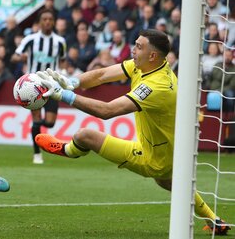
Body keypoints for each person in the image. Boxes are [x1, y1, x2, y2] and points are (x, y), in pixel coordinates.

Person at [34, 29, 230, 235]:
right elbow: (101, 75)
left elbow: (107, 110)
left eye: (138, 46)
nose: (133, 50)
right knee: (169, 182)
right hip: (170, 151)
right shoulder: (147, 65)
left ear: (152, 55)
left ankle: (66, 149)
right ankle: (215, 220)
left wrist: (63, 95)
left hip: (153, 157)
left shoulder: (157, 86)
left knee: (85, 135)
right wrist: (74, 81)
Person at [11, 8, 67, 164]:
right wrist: (20, 58)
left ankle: (35, 128)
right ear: (40, 22)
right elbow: (15, 56)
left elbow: (63, 60)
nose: (48, 22)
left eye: (50, 19)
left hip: (53, 85)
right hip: (33, 86)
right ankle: (37, 154)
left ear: (54, 22)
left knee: (50, 122)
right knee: (36, 119)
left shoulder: (60, 42)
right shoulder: (30, 39)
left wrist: (63, 73)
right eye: (45, 19)